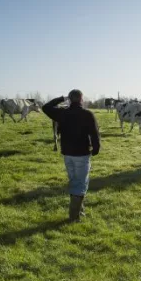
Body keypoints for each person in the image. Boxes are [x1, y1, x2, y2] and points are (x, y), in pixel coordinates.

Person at [42, 90, 101, 222]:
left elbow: (45, 107)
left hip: (67, 154)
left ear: (69, 99)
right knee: (81, 184)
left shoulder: (62, 113)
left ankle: (79, 211)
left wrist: (61, 98)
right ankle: (74, 217)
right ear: (81, 99)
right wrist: (96, 149)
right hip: (82, 154)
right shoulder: (87, 114)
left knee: (74, 182)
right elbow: (95, 134)